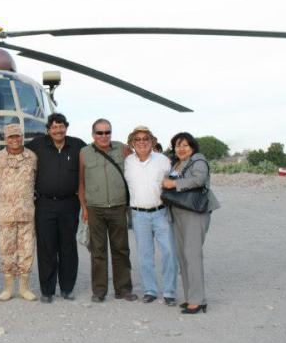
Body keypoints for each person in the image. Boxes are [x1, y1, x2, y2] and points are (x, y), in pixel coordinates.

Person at [26, 113, 86, 303]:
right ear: (48, 129)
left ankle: (67, 288)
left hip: (69, 204)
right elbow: (17, 151)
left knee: (68, 247)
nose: (58, 130)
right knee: (46, 248)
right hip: (44, 205)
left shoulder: (78, 145)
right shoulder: (37, 144)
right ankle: (47, 290)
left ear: (66, 127)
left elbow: (95, 157)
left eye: (61, 126)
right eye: (54, 127)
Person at [78, 118, 138, 303]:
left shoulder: (122, 149)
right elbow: (81, 182)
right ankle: (99, 291)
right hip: (95, 208)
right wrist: (84, 207)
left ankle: (123, 289)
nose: (104, 136)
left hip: (118, 207)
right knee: (98, 251)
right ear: (93, 134)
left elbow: (137, 170)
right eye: (100, 133)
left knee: (121, 249)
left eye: (107, 132)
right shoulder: (84, 153)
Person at [162, 132, 221, 314]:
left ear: (193, 147)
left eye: (185, 145)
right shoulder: (176, 163)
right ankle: (191, 297)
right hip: (178, 212)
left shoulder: (198, 161)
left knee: (192, 255)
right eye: (178, 146)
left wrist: (173, 184)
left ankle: (198, 300)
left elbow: (199, 180)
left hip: (195, 213)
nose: (181, 149)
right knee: (183, 255)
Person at [124, 126, 177, 306]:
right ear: (132, 143)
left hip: (161, 212)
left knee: (169, 252)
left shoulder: (163, 160)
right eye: (137, 139)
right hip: (139, 215)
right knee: (145, 255)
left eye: (145, 138)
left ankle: (169, 291)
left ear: (152, 141)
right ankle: (150, 290)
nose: (141, 142)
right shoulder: (128, 162)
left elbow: (174, 180)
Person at [0, 123, 38, 302]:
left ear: (22, 137)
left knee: (27, 250)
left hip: (26, 212)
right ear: (5, 139)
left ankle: (24, 288)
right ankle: (8, 288)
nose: (15, 140)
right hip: (6, 214)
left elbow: (37, 181)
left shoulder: (32, 157)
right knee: (6, 250)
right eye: (11, 137)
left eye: (17, 136)